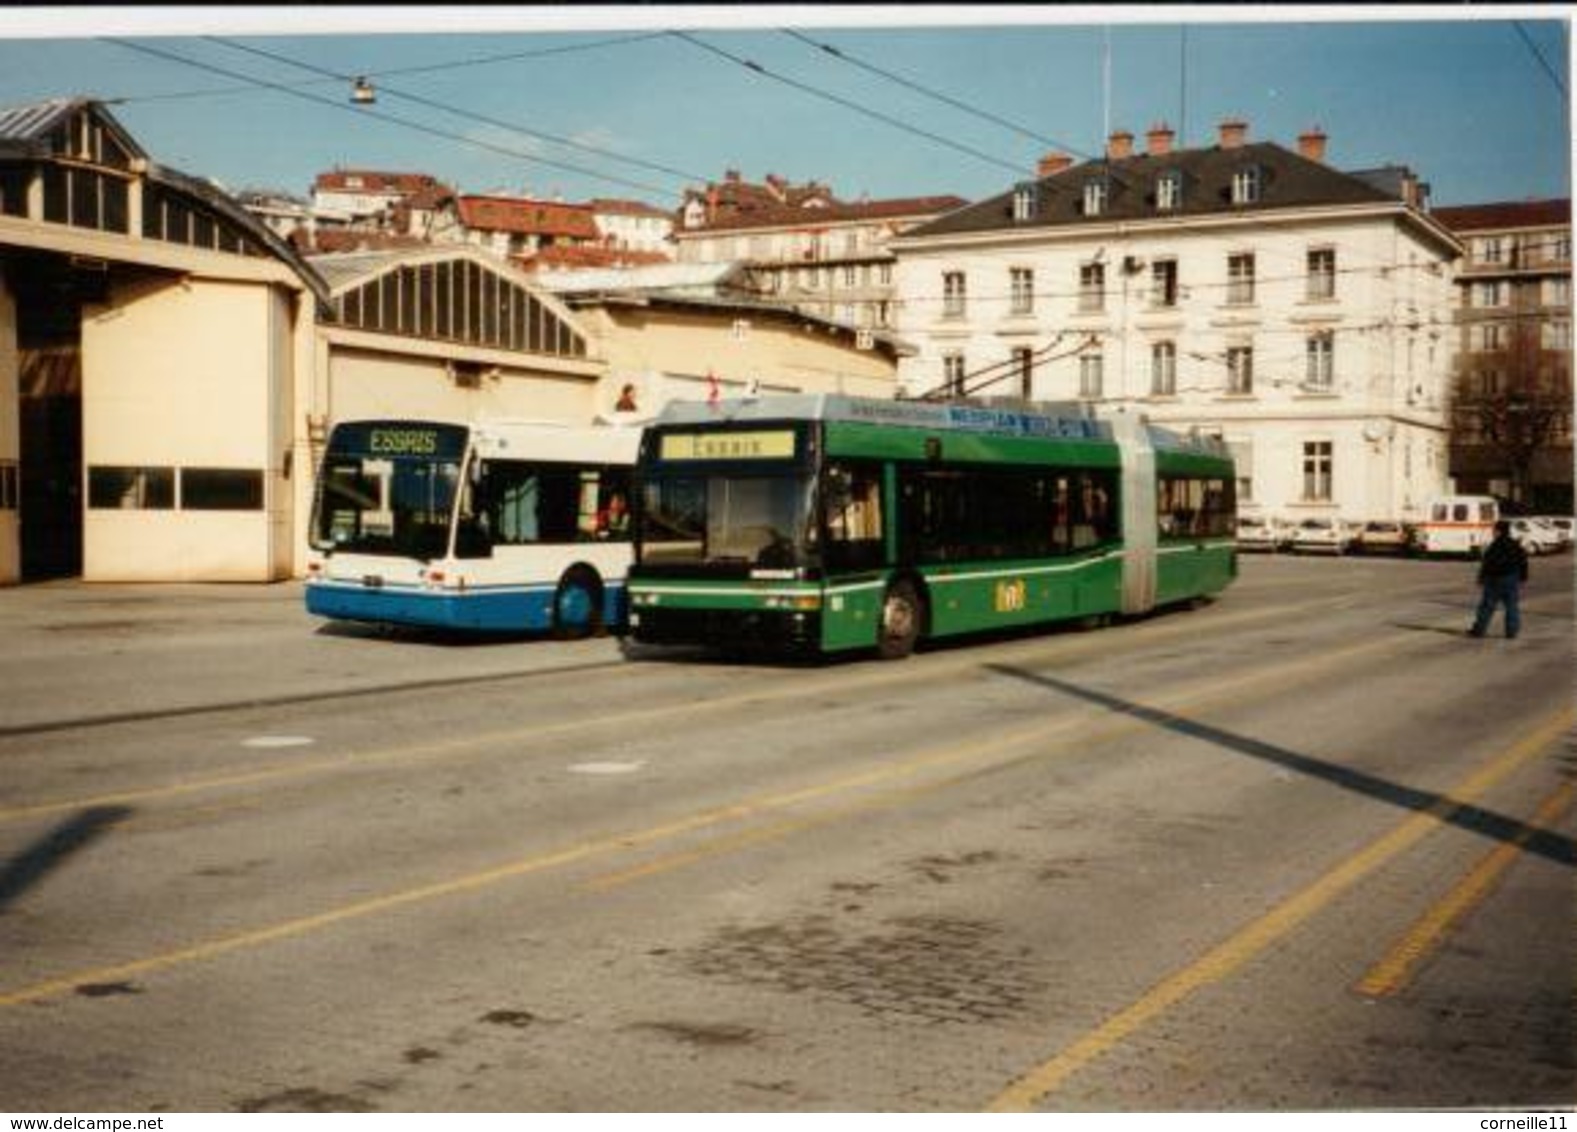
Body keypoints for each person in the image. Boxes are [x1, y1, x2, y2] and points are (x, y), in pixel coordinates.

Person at [1469, 520, 1529, 639]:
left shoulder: (1495, 545)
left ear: (1499, 531)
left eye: (1494, 530)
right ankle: (1511, 632)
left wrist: (1481, 578)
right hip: (1511, 578)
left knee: (1487, 606)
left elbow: (1487, 563)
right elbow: (1523, 561)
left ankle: (1479, 630)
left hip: (1495, 580)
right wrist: (1523, 577)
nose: (1493, 532)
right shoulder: (1515, 544)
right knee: (1512, 606)